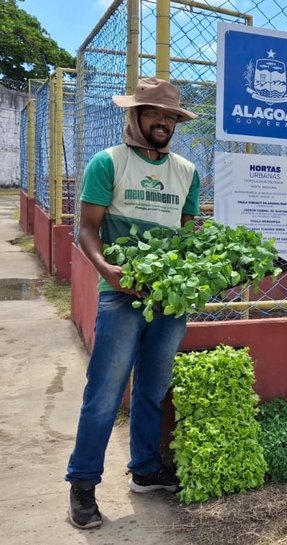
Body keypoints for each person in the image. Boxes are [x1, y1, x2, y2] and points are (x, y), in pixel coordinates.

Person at [66, 78, 201, 528]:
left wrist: (219, 262)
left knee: (153, 388)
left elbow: (189, 234)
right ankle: (82, 484)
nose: (163, 122)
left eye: (170, 117)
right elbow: (87, 228)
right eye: (153, 114)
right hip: (120, 296)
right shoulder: (108, 163)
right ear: (135, 116)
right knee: (104, 393)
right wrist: (107, 269)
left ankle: (145, 470)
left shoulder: (187, 170)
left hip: (170, 300)